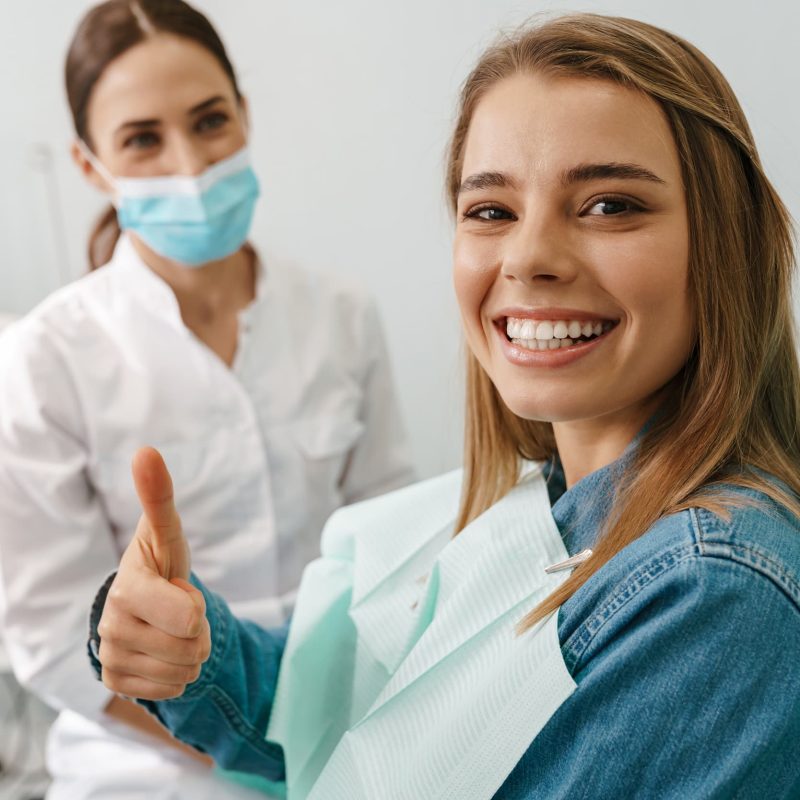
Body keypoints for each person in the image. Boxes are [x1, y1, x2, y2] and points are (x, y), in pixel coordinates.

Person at [90, 12, 800, 800]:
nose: (528, 257)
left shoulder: (711, 593)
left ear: (727, 241)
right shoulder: (530, 505)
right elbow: (338, 716)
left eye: (609, 205)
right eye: (491, 211)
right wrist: (186, 648)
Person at [0, 1, 413, 798]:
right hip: (149, 761)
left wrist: (346, 737)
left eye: (209, 121)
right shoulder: (42, 361)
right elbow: (50, 636)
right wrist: (251, 752)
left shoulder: (341, 314)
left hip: (349, 724)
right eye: (143, 140)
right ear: (91, 166)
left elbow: (392, 538)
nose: (189, 165)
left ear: (244, 116)